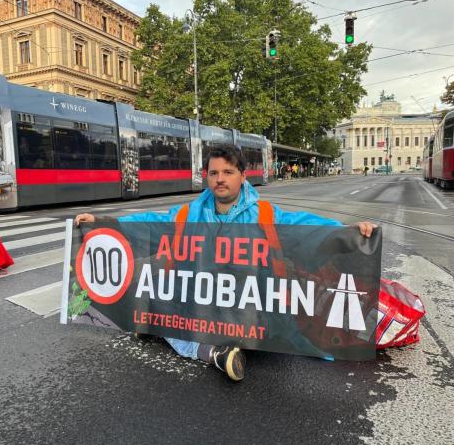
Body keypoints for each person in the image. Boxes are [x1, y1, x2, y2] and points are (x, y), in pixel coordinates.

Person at [75, 145, 376, 382]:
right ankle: (211, 352)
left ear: (242, 176)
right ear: (206, 176)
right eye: (214, 172)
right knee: (154, 301)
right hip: (204, 308)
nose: (220, 178)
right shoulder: (188, 213)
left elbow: (306, 227)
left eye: (228, 172)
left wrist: (348, 233)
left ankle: (201, 346)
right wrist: (103, 224)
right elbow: (151, 224)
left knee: (165, 318)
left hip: (251, 311)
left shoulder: (265, 214)